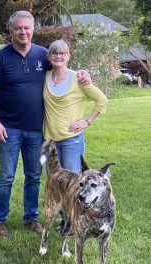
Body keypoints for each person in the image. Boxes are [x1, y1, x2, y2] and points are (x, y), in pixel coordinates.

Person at [0, 11, 91, 236]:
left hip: (37, 130)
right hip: (8, 129)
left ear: (32, 29)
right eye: (18, 28)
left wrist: (83, 74)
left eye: (27, 28)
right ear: (11, 30)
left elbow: (63, 68)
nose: (23, 32)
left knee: (34, 175)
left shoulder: (43, 55)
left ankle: (31, 218)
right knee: (6, 175)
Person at [43, 40, 108, 232]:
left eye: (63, 53)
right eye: (54, 53)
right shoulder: (45, 77)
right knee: (57, 184)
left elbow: (101, 100)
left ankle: (74, 224)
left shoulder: (78, 79)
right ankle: (65, 220)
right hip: (51, 141)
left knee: (73, 185)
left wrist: (87, 121)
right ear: (49, 57)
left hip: (71, 141)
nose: (58, 56)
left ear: (69, 56)